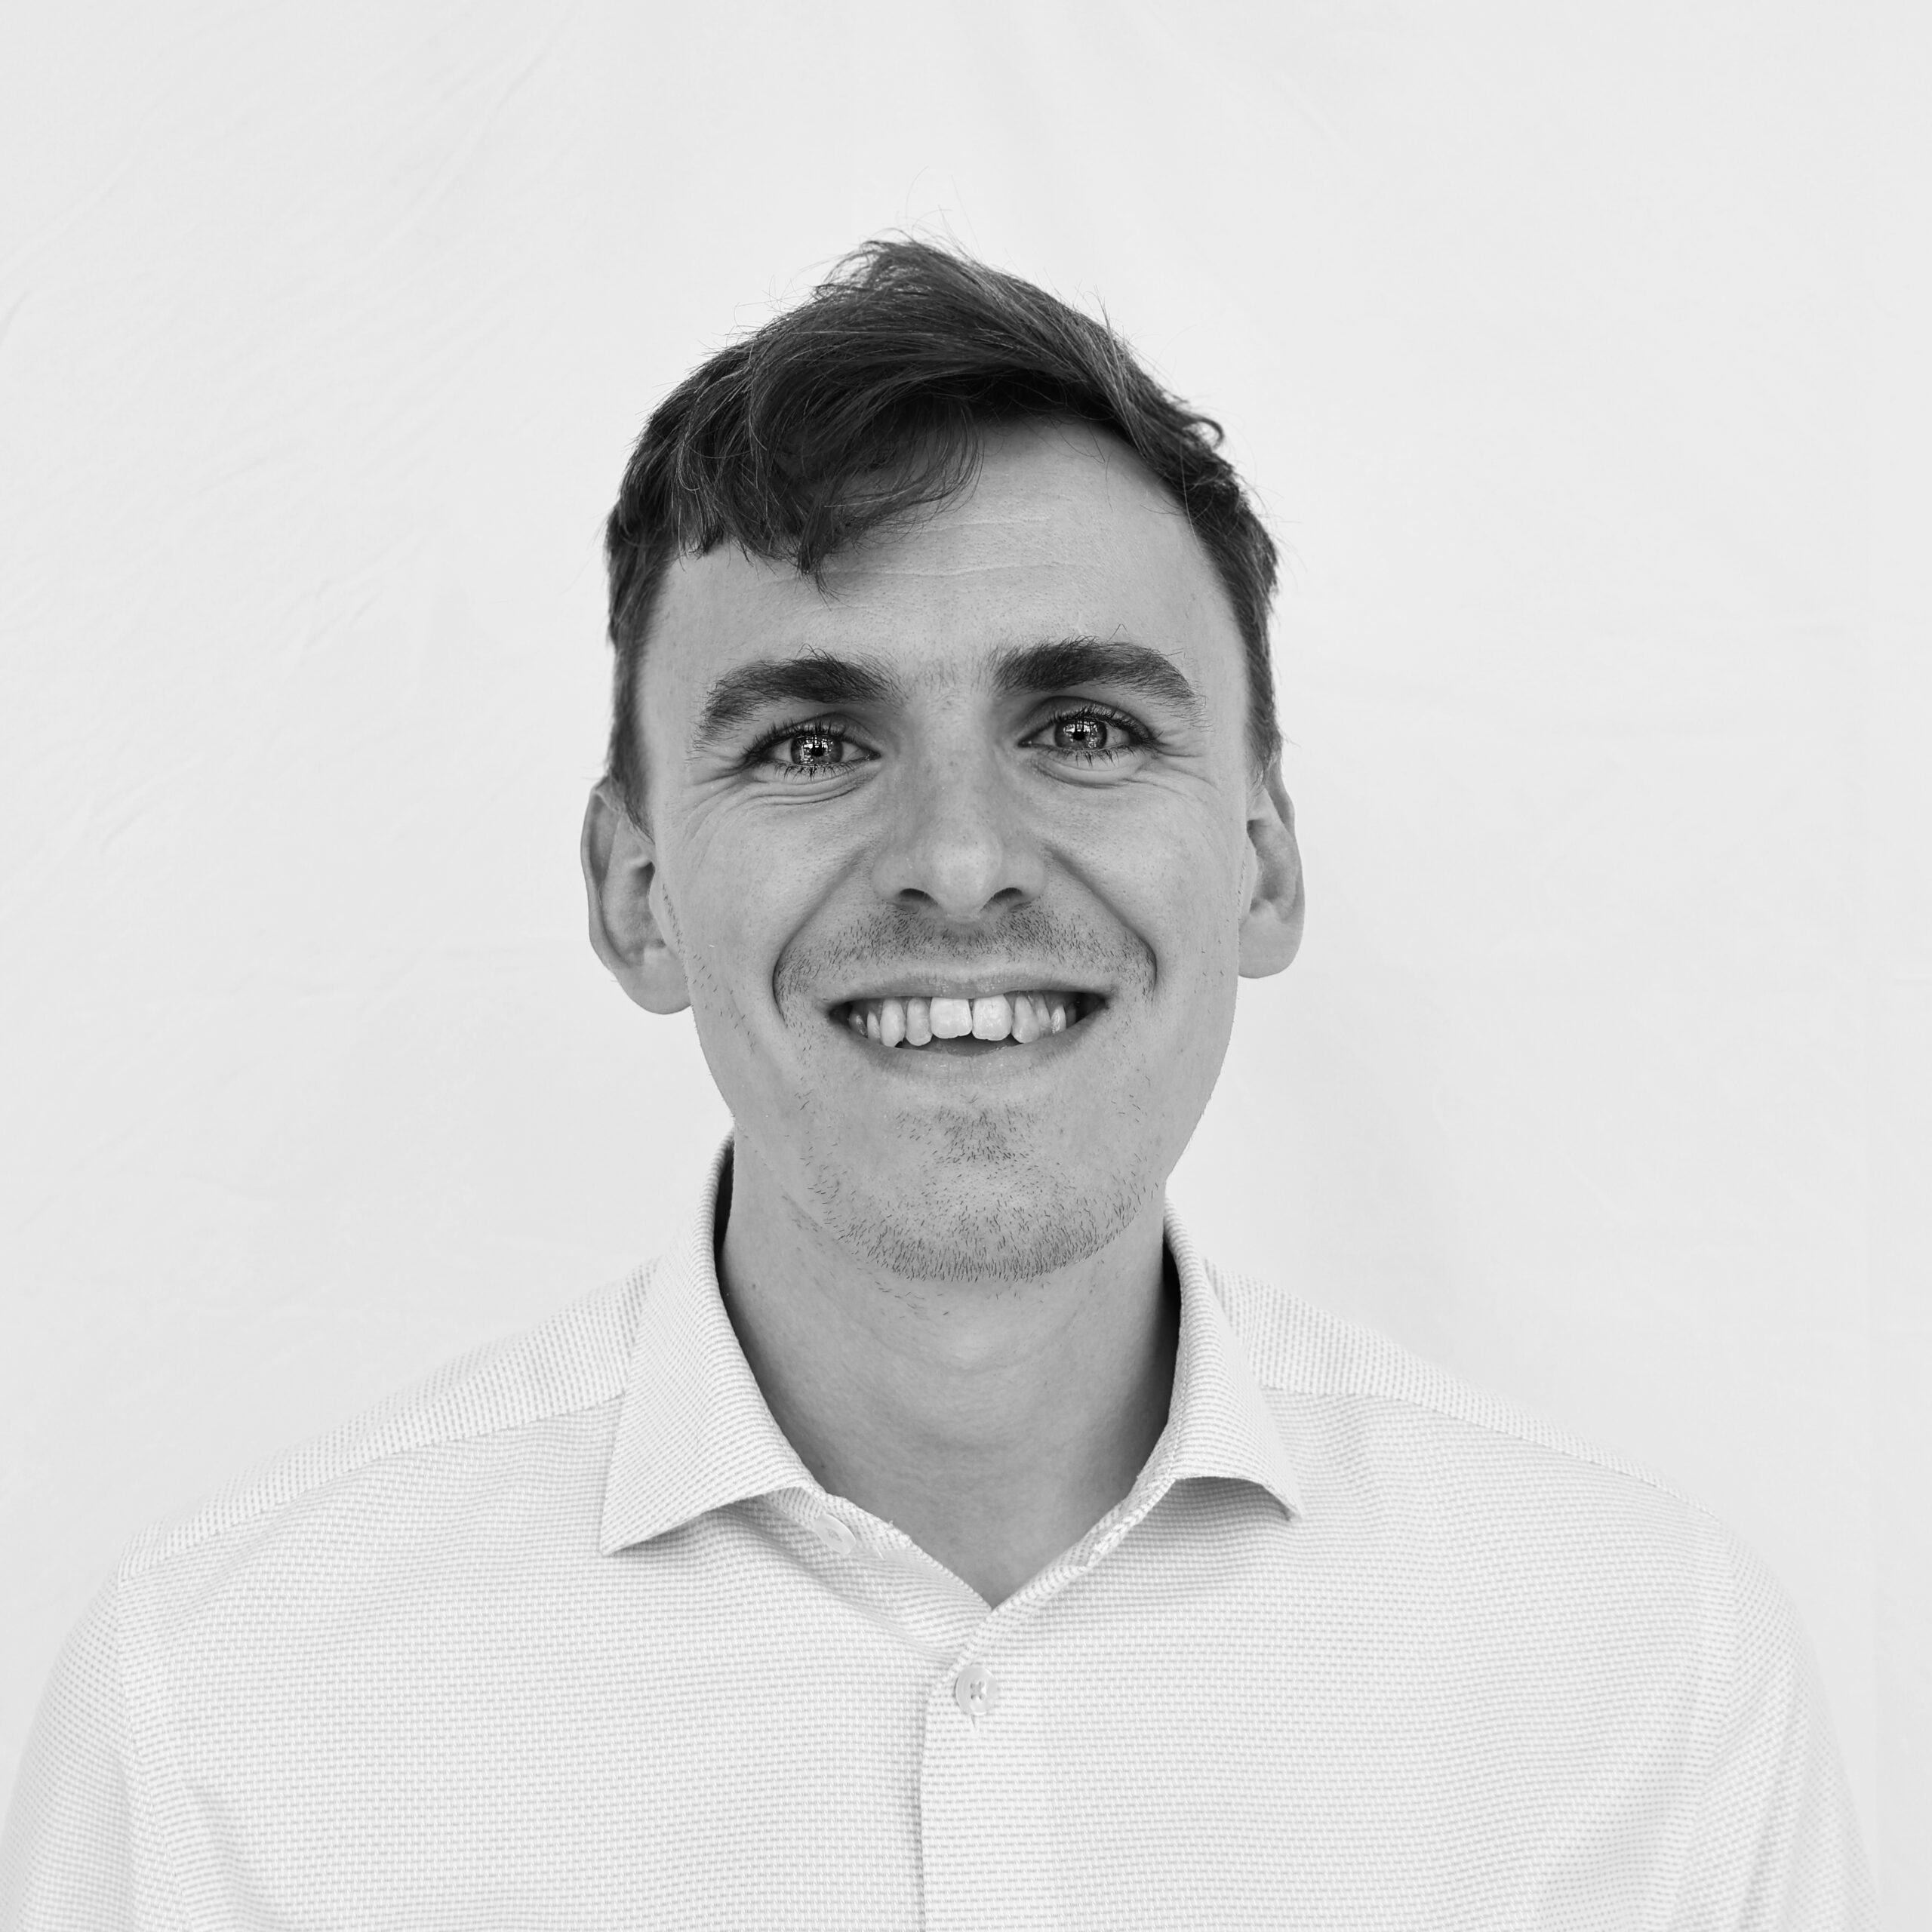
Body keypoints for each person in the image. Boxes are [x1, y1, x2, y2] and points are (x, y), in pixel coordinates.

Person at [2, 241, 1875, 1930]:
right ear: (633, 891)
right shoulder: (222, 1714)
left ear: (1263, 859)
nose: (961, 859)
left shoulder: (1649, 1674)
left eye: (1082, 727)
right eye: (814, 738)